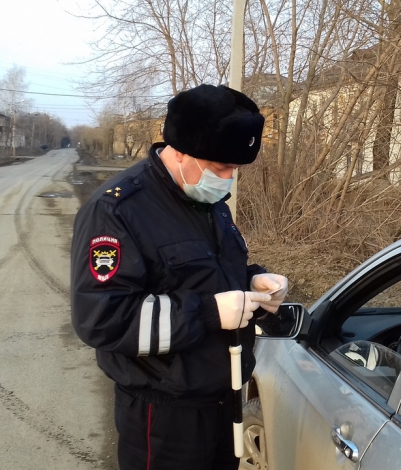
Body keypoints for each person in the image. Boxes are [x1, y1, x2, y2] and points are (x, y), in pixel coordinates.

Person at [70, 84, 289, 470]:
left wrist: (253, 282)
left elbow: (209, 275)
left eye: (236, 168)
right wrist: (206, 312)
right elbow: (101, 319)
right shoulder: (117, 210)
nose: (229, 178)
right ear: (181, 151)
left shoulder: (207, 201)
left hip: (224, 397)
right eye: (222, 168)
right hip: (164, 416)